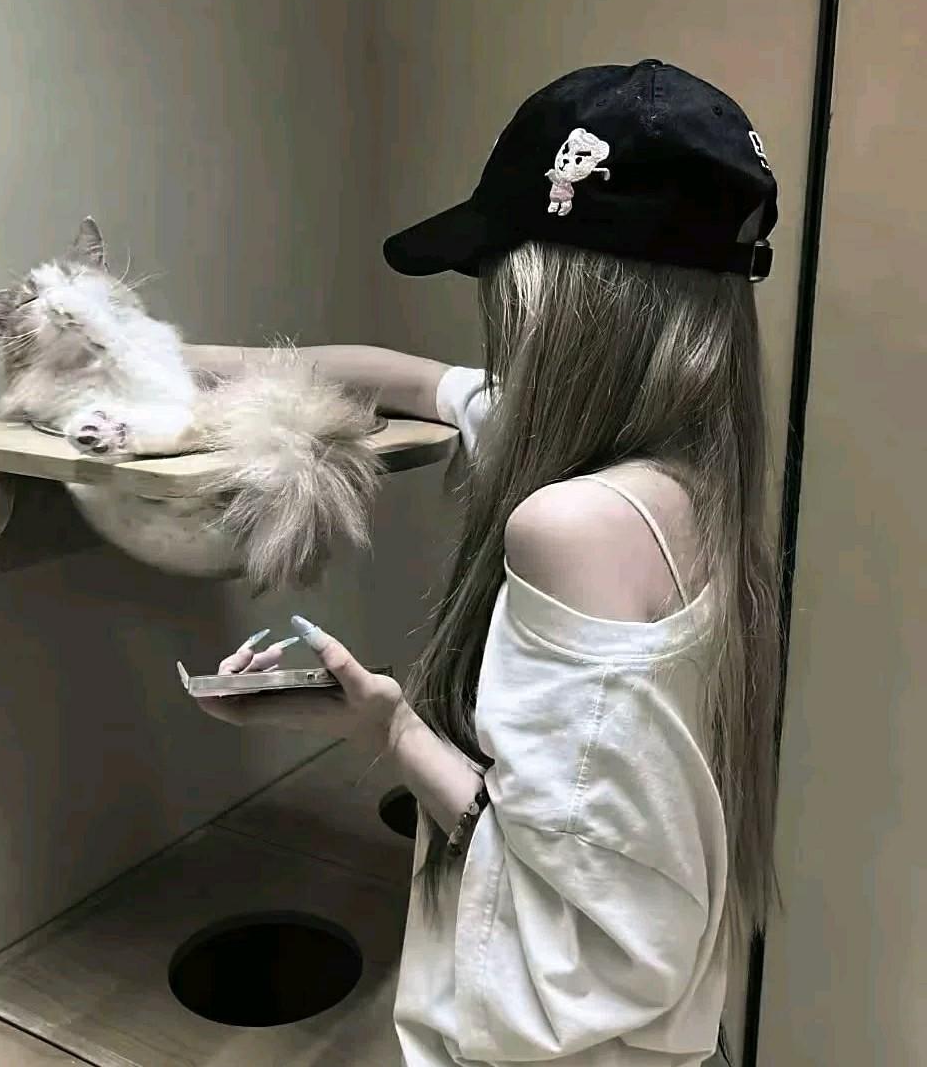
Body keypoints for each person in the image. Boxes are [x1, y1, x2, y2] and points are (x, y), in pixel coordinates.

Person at [184, 59, 781, 1067]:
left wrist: (392, 731)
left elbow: (585, 937)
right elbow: (398, 379)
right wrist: (173, 363)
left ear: (555, 295)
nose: (493, 309)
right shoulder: (688, 473)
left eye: (497, 277)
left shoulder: (575, 524)